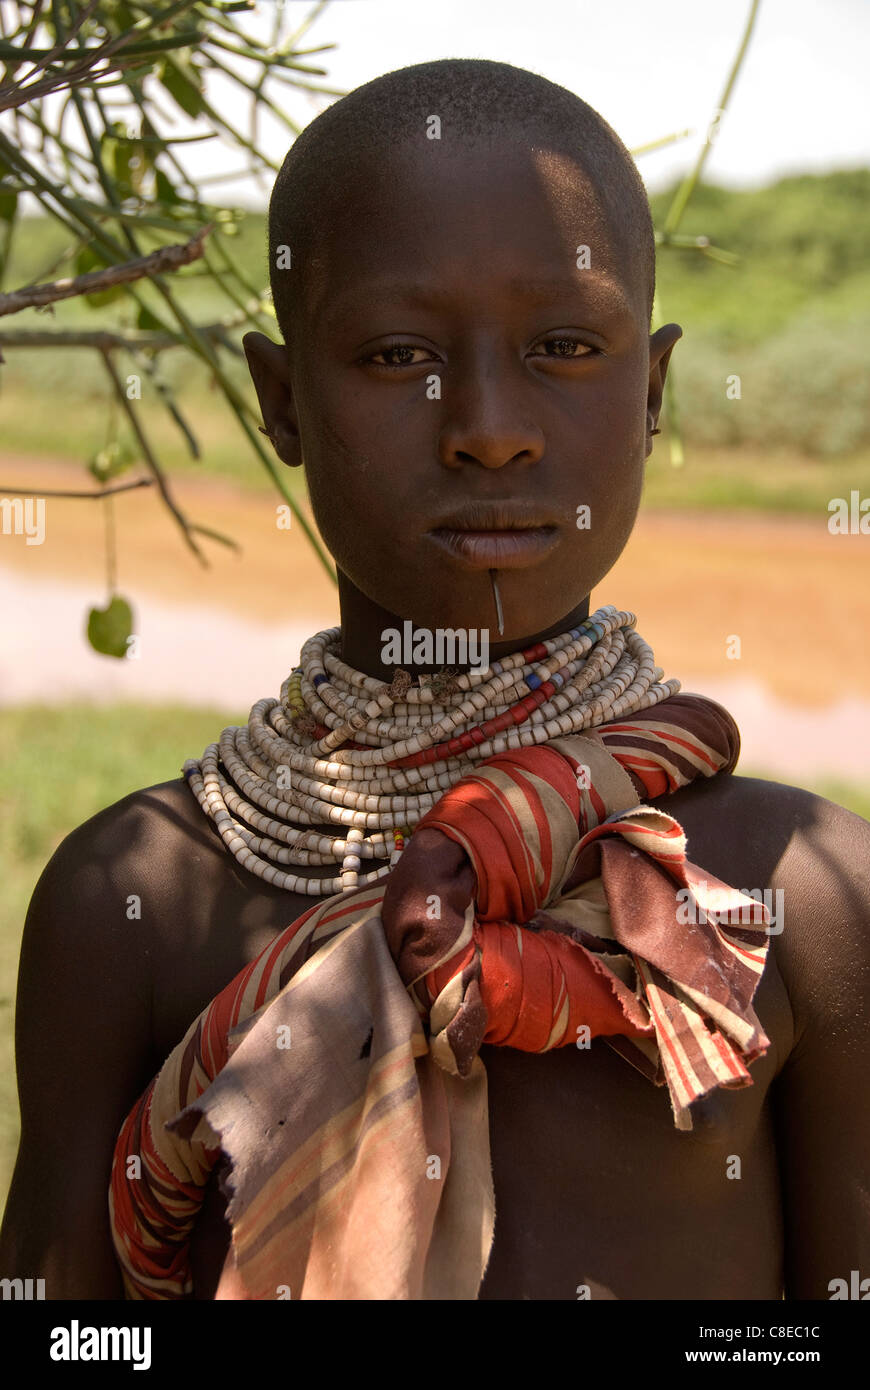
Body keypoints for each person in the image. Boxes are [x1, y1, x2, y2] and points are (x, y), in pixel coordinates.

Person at [2, 58, 868, 1301]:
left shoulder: (804, 899)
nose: (488, 424)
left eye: (566, 346)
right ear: (281, 402)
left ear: (654, 393)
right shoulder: (128, 904)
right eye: (399, 352)